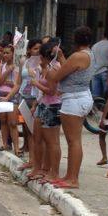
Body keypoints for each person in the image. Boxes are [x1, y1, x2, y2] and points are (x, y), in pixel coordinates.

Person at [47, 26, 95, 189]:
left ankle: (72, 179)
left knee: (73, 141)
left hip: (74, 99)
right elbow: (70, 70)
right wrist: (60, 57)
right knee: (74, 140)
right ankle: (69, 176)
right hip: (81, 96)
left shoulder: (77, 56)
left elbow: (57, 77)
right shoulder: (89, 54)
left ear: (75, 40)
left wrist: (46, 67)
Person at [30, 40, 62, 184]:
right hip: (43, 104)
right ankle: (39, 168)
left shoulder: (54, 68)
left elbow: (52, 91)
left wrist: (36, 84)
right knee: (37, 138)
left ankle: (52, 171)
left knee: (52, 142)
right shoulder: (45, 68)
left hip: (52, 106)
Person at [0, 44, 22, 156]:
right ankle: (5, 144)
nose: (5, 55)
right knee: (3, 121)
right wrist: (7, 72)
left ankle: (17, 148)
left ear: (13, 54)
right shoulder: (1, 67)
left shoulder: (18, 68)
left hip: (13, 97)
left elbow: (17, 84)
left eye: (8, 53)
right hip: (1, 94)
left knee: (13, 122)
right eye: (4, 53)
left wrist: (9, 93)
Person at [17, 39, 41, 163]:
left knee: (33, 127)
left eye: (39, 48)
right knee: (23, 123)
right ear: (29, 50)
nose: (37, 51)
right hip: (23, 96)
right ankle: (26, 145)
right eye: (35, 48)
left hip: (35, 98)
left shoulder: (43, 62)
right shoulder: (24, 61)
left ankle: (34, 156)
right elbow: (20, 78)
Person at [89, 29, 108, 99]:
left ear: (103, 36)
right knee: (106, 95)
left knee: (95, 96)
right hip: (107, 72)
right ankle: (104, 109)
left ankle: (96, 108)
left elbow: (91, 59)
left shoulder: (95, 46)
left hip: (95, 72)